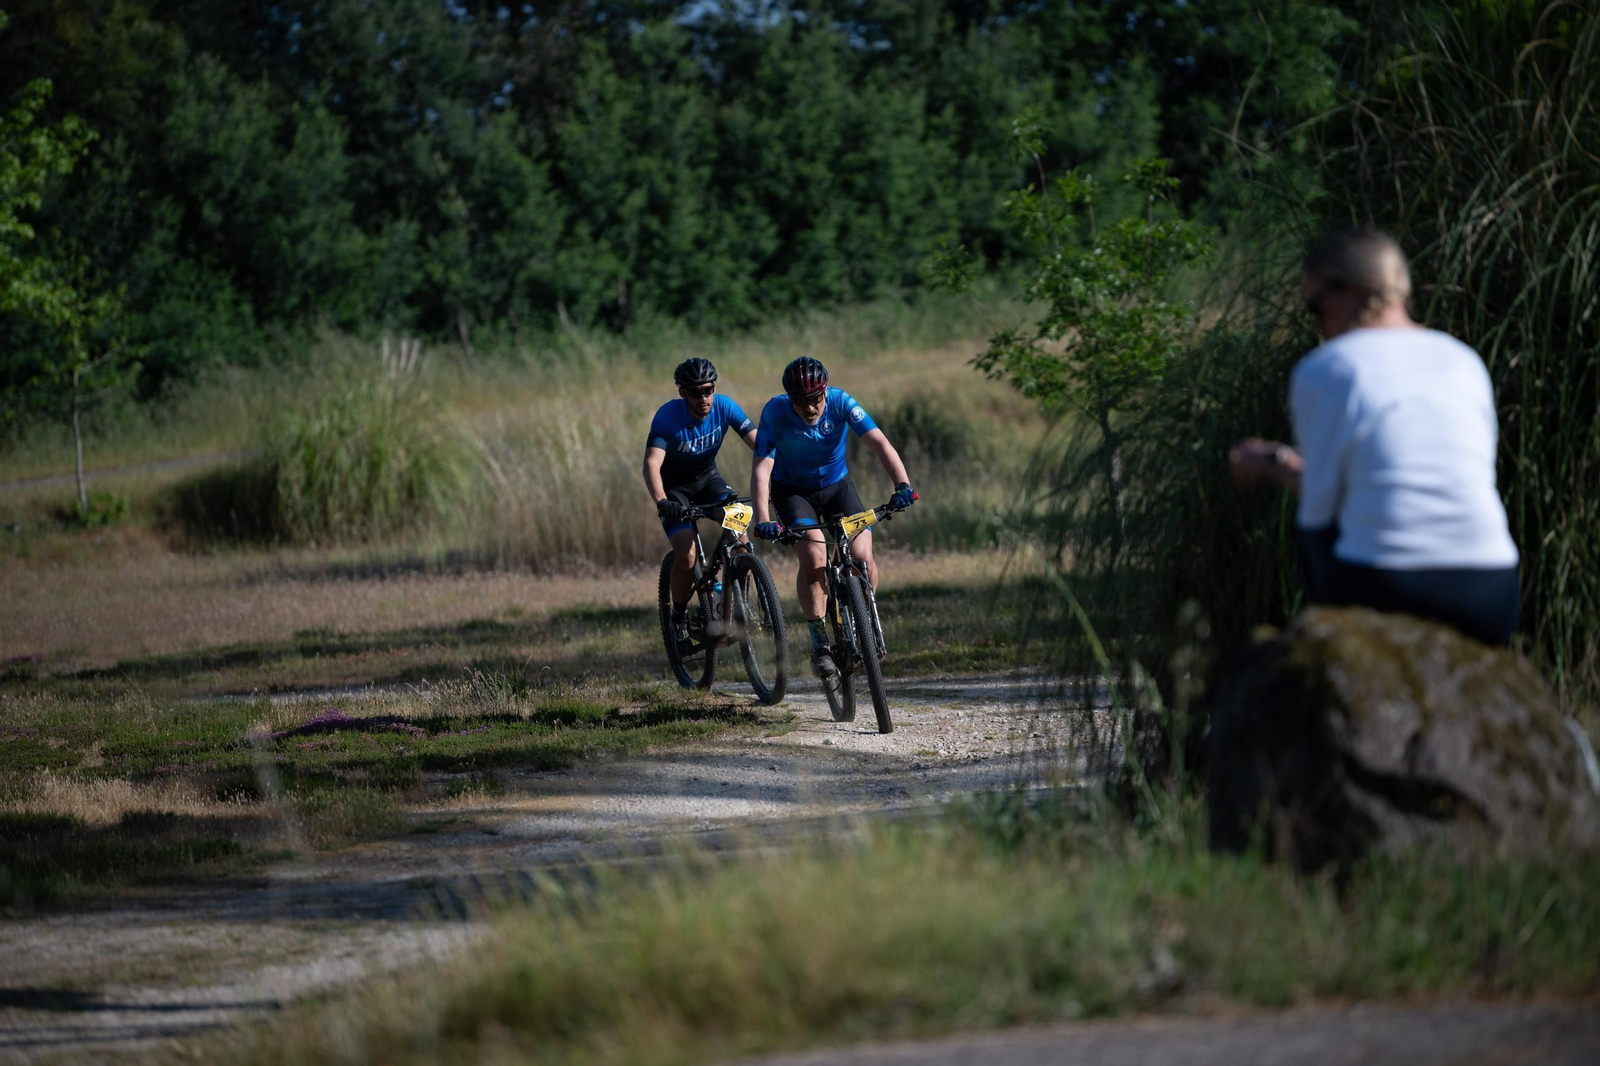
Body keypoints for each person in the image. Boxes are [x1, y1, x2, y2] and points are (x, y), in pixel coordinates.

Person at [1230, 227, 1520, 646]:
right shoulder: (1464, 359)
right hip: (1493, 589)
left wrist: (1273, 463)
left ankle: (1322, 658)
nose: (1318, 325)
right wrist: (1280, 462)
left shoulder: (1326, 368)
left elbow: (1321, 508)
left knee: (1311, 532)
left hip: (1387, 586)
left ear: (1346, 291)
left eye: (1315, 307)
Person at [749, 356, 916, 677]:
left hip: (838, 487)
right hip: (794, 493)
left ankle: (863, 620)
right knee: (814, 557)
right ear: (790, 399)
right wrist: (763, 518)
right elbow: (762, 468)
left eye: (815, 400)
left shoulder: (842, 403)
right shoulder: (775, 412)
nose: (809, 408)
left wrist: (903, 485)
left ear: (825, 393)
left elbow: (879, 442)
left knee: (862, 555)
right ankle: (819, 643)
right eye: (801, 402)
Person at [642, 357, 758, 648]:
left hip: (708, 481)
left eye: (708, 390)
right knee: (687, 555)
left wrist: (781, 472)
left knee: (740, 533)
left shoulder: (725, 406)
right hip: (675, 491)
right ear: (682, 393)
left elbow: (760, 444)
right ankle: (678, 617)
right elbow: (651, 465)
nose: (703, 397)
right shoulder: (667, 417)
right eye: (695, 392)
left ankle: (737, 607)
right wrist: (662, 501)